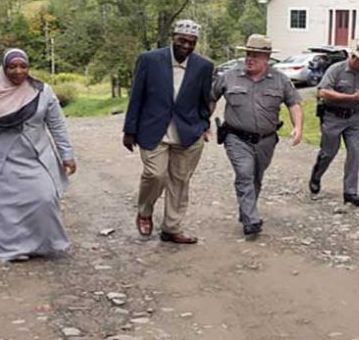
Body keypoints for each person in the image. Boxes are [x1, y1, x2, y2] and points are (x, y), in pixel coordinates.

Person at [0, 48, 77, 263]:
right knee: (4, 206)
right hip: (0, 159)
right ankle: (11, 249)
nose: (18, 71)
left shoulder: (42, 91)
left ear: (29, 67)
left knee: (45, 197)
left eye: (23, 66)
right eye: (12, 67)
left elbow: (57, 125)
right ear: (3, 68)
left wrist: (67, 155)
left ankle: (44, 245)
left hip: (36, 155)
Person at [123, 19, 213, 244]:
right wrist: (129, 130)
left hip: (188, 133)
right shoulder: (149, 60)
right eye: (182, 40)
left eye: (191, 42)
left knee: (180, 180)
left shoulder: (204, 66)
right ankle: (145, 211)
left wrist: (203, 125)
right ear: (173, 37)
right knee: (155, 174)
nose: (186, 46)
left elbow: (204, 100)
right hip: (153, 130)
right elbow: (136, 96)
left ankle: (172, 228)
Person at [211, 34, 303, 237]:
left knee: (256, 177)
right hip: (236, 137)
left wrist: (298, 127)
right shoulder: (229, 76)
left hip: (266, 140)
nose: (250, 59)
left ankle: (246, 212)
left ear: (267, 58)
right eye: (248, 54)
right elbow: (211, 98)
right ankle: (251, 221)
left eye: (255, 55)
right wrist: (203, 123)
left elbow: (294, 104)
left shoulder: (280, 80)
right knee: (244, 173)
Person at [308, 38, 359, 207]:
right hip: (333, 117)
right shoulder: (336, 69)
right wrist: (351, 97)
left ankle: (350, 192)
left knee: (355, 153)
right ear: (353, 56)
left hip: (355, 118)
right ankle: (317, 174)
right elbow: (323, 92)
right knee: (329, 152)